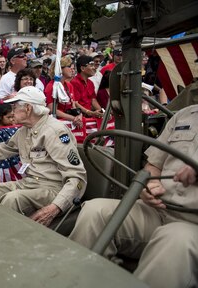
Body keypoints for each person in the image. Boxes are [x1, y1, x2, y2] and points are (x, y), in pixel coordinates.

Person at [69, 104, 198, 288]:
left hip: (192, 223)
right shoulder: (185, 114)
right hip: (159, 211)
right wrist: (149, 185)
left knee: (174, 240)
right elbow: (153, 166)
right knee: (94, 211)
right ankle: (78, 281)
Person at [0, 86, 87, 226]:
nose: (12, 111)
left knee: (12, 199)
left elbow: (77, 177)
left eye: (15, 107)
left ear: (28, 108)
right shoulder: (24, 131)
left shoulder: (55, 131)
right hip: (29, 184)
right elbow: (0, 150)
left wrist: (55, 207)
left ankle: (2, 242)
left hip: (52, 189)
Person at [45, 56, 83, 129]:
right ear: (60, 68)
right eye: (69, 67)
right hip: (57, 125)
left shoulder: (69, 85)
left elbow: (73, 105)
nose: (72, 70)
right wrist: (72, 118)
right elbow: (52, 110)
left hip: (70, 123)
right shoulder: (51, 86)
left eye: (73, 68)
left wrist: (78, 116)